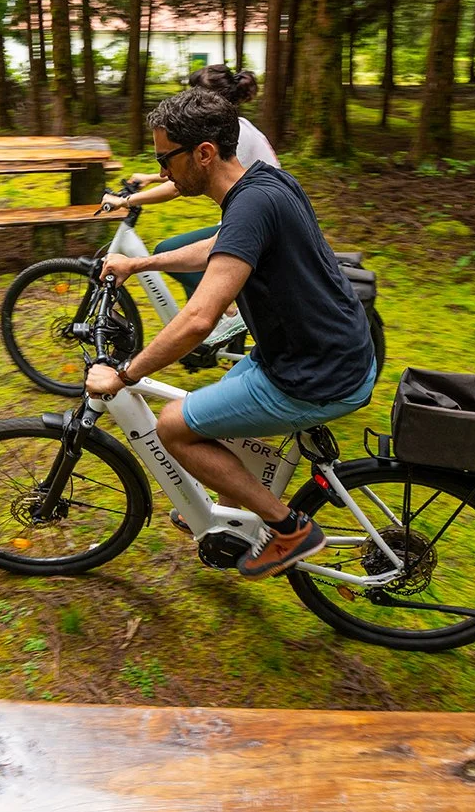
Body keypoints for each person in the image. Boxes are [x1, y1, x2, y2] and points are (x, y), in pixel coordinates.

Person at [85, 88, 377, 579]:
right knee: (218, 400)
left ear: (203, 152)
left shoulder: (251, 203)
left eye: (165, 160)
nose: (161, 174)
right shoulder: (265, 185)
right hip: (328, 350)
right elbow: (220, 246)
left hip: (314, 374)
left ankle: (289, 529)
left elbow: (200, 319)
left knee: (173, 426)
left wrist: (125, 373)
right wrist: (140, 263)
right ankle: (236, 519)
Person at [101, 64, 278, 303]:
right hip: (255, 218)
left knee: (169, 251)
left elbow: (178, 186)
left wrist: (126, 201)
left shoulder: (235, 135)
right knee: (182, 255)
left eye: (193, 94)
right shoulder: (236, 127)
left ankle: (225, 308)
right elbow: (192, 168)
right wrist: (151, 177)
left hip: (253, 225)